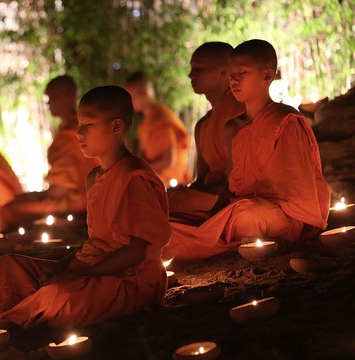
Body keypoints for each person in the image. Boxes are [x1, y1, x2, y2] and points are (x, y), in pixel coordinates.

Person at [0, 86, 171, 329]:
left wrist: (76, 275)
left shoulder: (135, 177)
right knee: (6, 265)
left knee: (61, 294)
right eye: (79, 124)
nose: (78, 133)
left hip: (130, 282)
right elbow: (96, 243)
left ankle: (19, 315)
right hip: (91, 270)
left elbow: (135, 253)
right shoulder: (93, 178)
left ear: (116, 127)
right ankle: (24, 312)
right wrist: (63, 266)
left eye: (87, 125)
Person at [165, 39, 331, 260]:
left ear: (267, 75)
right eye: (232, 73)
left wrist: (228, 209)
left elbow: (301, 191)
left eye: (242, 72)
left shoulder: (285, 120)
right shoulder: (231, 127)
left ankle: (207, 239)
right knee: (170, 220)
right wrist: (219, 210)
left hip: (278, 213)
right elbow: (235, 186)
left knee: (247, 214)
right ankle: (212, 237)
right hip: (238, 208)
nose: (234, 79)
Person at [0, 76, 98, 228]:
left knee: (8, 210)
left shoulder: (73, 131)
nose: (48, 104)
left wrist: (38, 196)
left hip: (75, 201)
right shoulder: (71, 127)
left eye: (51, 98)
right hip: (71, 195)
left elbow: (62, 187)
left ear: (65, 96)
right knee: (19, 200)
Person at [168, 42, 246, 223]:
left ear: (224, 72)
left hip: (236, 199)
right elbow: (202, 178)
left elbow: (240, 179)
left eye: (199, 69)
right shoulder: (203, 125)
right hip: (211, 196)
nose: (191, 75)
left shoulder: (242, 113)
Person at [124, 71, 192, 187]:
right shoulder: (146, 122)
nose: (130, 102)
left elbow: (168, 161)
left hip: (170, 185)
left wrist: (136, 169)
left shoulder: (161, 119)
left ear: (145, 92)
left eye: (132, 97)